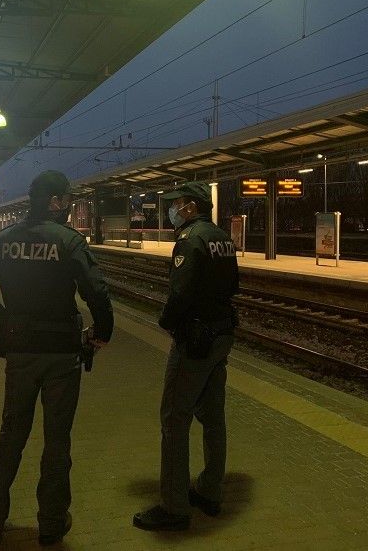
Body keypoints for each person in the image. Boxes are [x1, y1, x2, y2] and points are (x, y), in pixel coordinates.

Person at [0, 170, 113, 547]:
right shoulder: (68, 241)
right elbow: (97, 293)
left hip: (21, 352)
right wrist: (102, 332)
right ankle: (51, 523)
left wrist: (5, 319)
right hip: (62, 354)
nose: (69, 207)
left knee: (10, 436)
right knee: (57, 441)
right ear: (56, 202)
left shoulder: (6, 239)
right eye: (67, 200)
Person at [133, 181, 239, 532]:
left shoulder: (190, 240)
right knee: (213, 416)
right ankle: (210, 490)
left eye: (176, 203)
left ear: (191, 207)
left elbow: (179, 294)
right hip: (221, 334)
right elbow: (233, 286)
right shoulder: (222, 237)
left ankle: (175, 506)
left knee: (174, 419)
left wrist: (166, 323)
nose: (172, 209)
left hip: (195, 340)